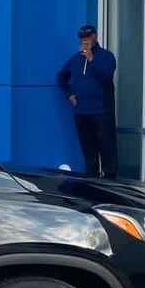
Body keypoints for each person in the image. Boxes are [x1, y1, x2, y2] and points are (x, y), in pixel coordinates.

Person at [57, 24, 118, 178]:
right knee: (88, 150)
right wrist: (70, 95)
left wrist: (91, 58)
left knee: (107, 149)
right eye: (82, 38)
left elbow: (106, 75)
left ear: (94, 37)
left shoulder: (106, 56)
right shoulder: (76, 59)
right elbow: (61, 77)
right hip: (82, 111)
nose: (85, 41)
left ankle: (110, 181)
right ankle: (92, 180)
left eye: (88, 37)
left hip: (102, 111)